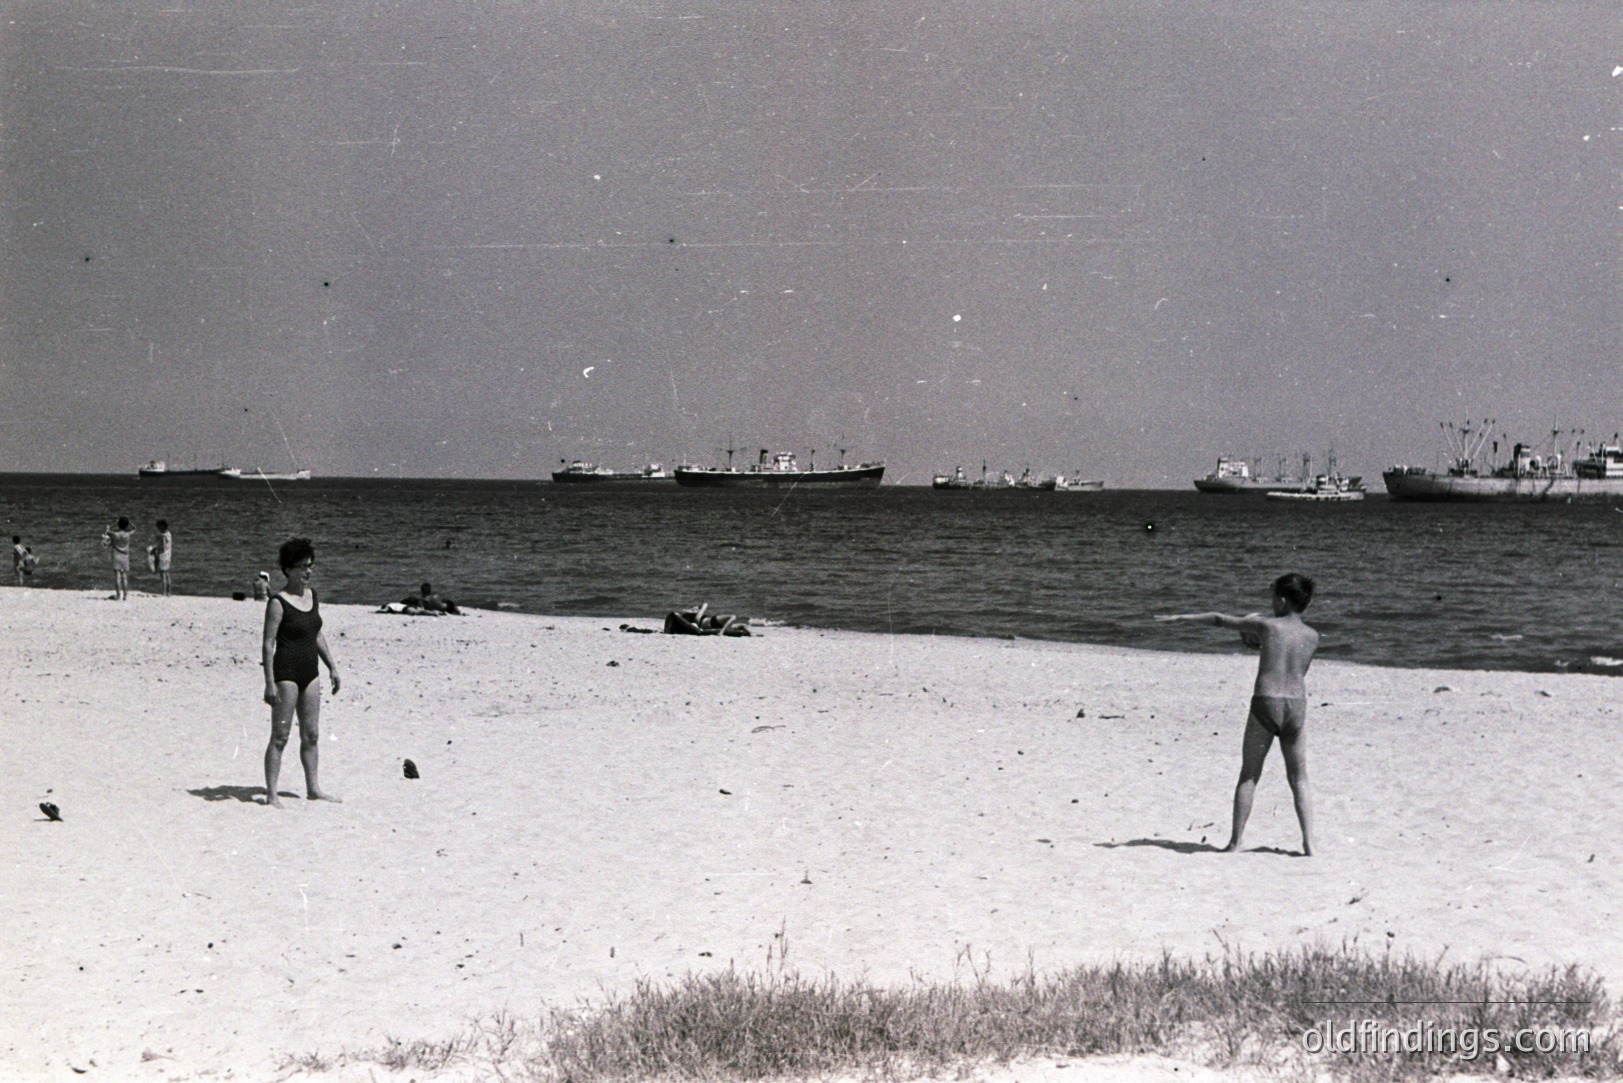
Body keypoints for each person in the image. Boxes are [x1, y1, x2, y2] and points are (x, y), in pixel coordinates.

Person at [1155, 573, 1320, 856]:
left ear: (1280, 600)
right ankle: (1310, 843)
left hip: (1266, 702)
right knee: (1299, 777)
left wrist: (1181, 618)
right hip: (1296, 705)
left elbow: (1220, 619)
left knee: (1249, 775)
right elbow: (1295, 667)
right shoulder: (1313, 636)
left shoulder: (1265, 624)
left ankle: (1235, 842)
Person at [261, 537, 342, 807]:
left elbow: (316, 633)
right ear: (288, 569)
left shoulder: (312, 597)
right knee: (281, 736)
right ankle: (272, 794)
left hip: (311, 671)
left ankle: (313, 788)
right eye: (303, 566)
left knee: (312, 735)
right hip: (286, 673)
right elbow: (268, 643)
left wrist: (332, 666)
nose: (308, 571)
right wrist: (269, 683)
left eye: (311, 565)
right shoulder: (277, 602)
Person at [102, 517, 133, 600]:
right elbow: (134, 528)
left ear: (119, 525)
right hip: (125, 556)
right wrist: (129, 523)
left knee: (117, 577)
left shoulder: (115, 534)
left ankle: (118, 595)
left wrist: (114, 524)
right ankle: (125, 596)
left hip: (117, 556)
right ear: (126, 526)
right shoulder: (128, 534)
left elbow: (106, 531)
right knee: (124, 577)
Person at [152, 519, 173, 596]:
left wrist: (154, 549)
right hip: (168, 556)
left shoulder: (163, 536)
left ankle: (164, 592)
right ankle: (169, 592)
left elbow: (162, 547)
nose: (158, 529)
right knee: (167, 574)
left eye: (159, 527)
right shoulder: (169, 534)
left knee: (163, 575)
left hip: (163, 556)